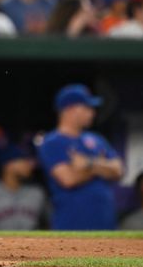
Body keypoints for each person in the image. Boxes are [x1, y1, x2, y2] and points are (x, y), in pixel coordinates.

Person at [37, 84, 123, 230]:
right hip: (72, 222)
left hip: (105, 221)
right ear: (70, 110)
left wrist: (89, 163)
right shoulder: (52, 142)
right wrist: (102, 166)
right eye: (87, 108)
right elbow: (68, 179)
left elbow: (118, 170)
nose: (92, 113)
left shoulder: (96, 139)